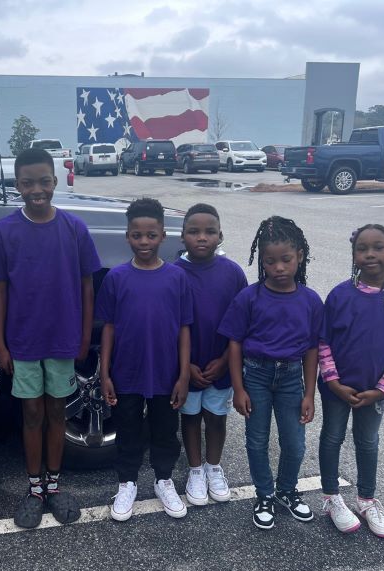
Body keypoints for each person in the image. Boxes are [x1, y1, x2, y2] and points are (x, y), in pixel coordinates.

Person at [0, 148, 101, 529]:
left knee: (57, 412)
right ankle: (34, 488)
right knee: (31, 413)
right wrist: (1, 344)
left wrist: (84, 334)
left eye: (44, 181)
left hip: (63, 340)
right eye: (27, 182)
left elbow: (88, 287)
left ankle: (54, 485)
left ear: (56, 181)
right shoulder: (4, 231)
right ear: (16, 184)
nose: (36, 189)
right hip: (22, 342)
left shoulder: (74, 228)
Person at [318, 225, 384, 538]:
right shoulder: (340, 295)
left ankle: (366, 500)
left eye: (378, 247)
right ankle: (331, 497)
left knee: (367, 441)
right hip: (336, 388)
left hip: (374, 391)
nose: (369, 254)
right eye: (362, 249)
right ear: (353, 254)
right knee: (332, 436)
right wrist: (333, 381)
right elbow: (323, 341)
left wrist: (382, 388)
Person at [220, 215, 323, 530]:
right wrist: (238, 388)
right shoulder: (249, 298)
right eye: (270, 261)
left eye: (286, 260)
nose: (278, 267)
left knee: (295, 443)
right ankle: (264, 495)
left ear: (300, 256)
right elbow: (234, 343)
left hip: (292, 379)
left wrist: (309, 393)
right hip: (257, 376)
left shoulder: (309, 300)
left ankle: (288, 490)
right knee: (256, 440)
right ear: (261, 262)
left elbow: (311, 349)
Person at [97, 197, 192, 522]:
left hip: (166, 375)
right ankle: (127, 482)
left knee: (165, 431)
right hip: (127, 373)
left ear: (163, 235)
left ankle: (164, 480)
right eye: (137, 235)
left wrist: (182, 375)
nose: (144, 242)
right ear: (128, 236)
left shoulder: (177, 278)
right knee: (128, 430)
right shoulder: (116, 278)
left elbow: (183, 330)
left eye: (151, 235)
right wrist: (105, 372)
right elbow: (108, 328)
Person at [174, 204, 247, 506]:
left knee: (216, 418)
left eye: (209, 232)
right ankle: (194, 470)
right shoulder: (173, 273)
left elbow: (242, 323)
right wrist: (185, 365)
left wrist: (226, 363)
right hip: (186, 366)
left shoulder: (232, 273)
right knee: (190, 419)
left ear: (220, 236)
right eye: (194, 231)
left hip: (221, 363)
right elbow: (170, 325)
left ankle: (213, 467)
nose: (201, 238)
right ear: (182, 237)